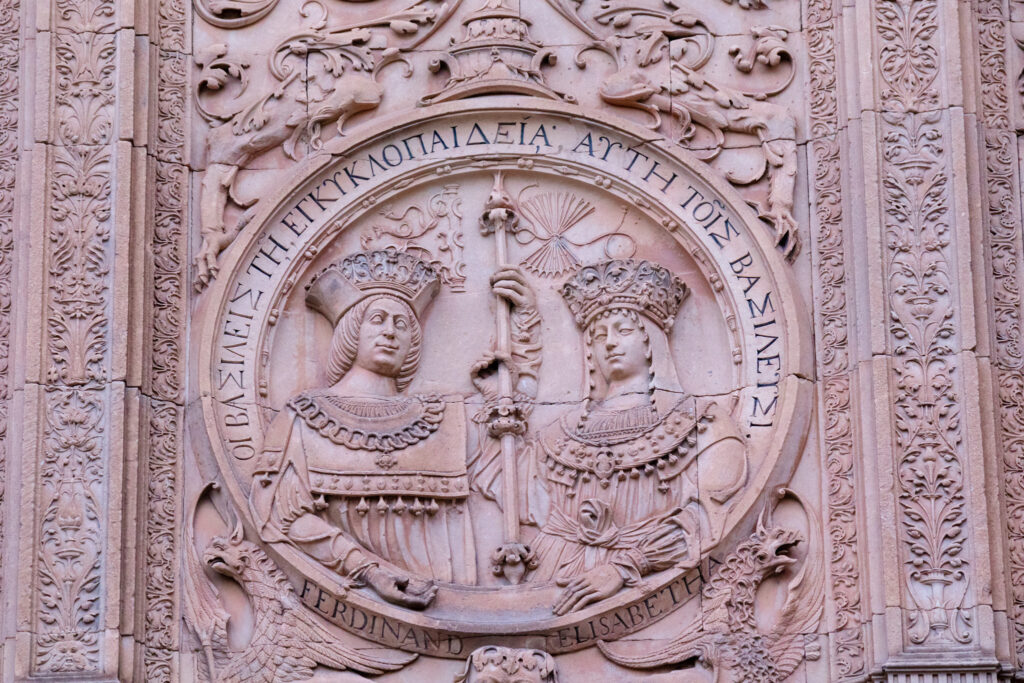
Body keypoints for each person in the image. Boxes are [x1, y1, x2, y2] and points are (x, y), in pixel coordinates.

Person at [251, 248, 540, 608]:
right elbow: (282, 517)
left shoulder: (445, 415)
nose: (390, 332)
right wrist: (368, 570)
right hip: (368, 592)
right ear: (351, 330)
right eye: (378, 320)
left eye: (401, 325)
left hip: (452, 597)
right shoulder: (304, 416)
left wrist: (525, 328)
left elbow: (514, 440)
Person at [471, 258, 748, 615]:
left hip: (639, 586)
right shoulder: (559, 434)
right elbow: (512, 491)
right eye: (599, 336)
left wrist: (625, 566)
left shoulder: (703, 423)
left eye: (623, 330)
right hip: (550, 581)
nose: (610, 344)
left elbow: (709, 516)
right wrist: (505, 399)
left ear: (651, 339)